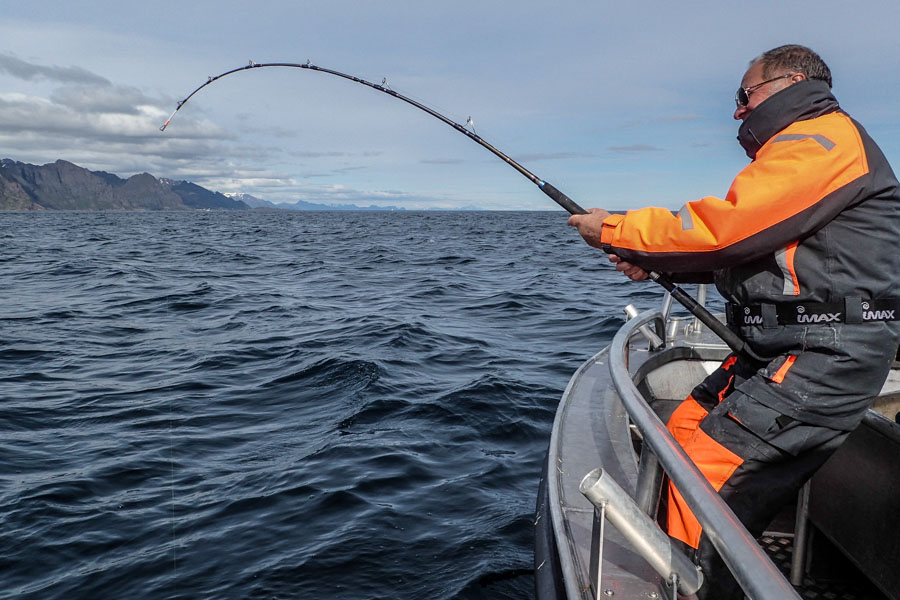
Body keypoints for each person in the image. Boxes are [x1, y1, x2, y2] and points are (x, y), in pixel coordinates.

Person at [568, 44, 900, 599]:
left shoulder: (823, 138)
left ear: (789, 83)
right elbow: (757, 255)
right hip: (781, 347)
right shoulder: (807, 150)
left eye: (744, 96)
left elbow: (727, 229)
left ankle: (690, 588)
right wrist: (653, 259)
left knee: (704, 477)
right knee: (681, 433)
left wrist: (616, 229)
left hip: (823, 353)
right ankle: (675, 571)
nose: (738, 111)